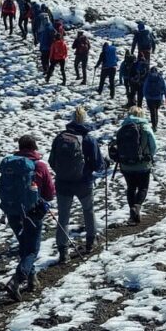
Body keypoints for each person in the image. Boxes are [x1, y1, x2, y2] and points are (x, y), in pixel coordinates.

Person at [0, 135, 56, 300]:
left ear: (20, 148)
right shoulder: (39, 166)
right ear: (34, 148)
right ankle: (16, 281)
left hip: (12, 211)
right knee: (32, 250)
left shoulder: (10, 167)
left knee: (23, 246)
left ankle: (32, 280)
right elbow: (49, 194)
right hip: (32, 213)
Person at [49, 106, 105, 261]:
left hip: (62, 183)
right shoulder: (88, 139)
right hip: (83, 182)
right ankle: (90, 242)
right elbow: (97, 164)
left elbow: (52, 161)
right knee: (88, 210)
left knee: (63, 217)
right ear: (85, 119)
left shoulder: (60, 137)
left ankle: (63, 252)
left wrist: (62, 172)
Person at [111, 107, 157, 224]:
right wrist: (149, 156)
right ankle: (136, 207)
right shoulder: (145, 128)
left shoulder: (123, 128)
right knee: (143, 187)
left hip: (126, 165)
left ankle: (133, 215)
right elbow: (153, 146)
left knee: (131, 187)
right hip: (143, 164)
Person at [143, 66, 166, 132]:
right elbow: (164, 87)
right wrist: (165, 96)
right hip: (158, 98)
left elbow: (145, 87)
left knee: (152, 112)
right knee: (156, 110)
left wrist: (145, 96)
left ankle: (154, 125)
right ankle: (155, 124)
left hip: (150, 98)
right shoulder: (160, 77)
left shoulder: (148, 77)